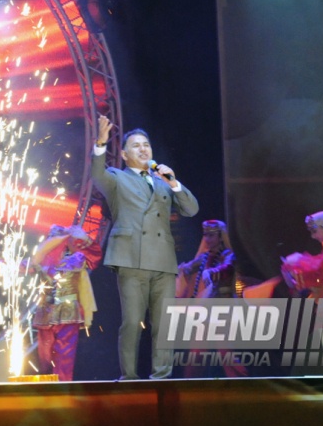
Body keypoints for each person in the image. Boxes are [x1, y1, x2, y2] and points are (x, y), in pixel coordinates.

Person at [92, 116, 199, 380]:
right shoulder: (117, 178)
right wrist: (101, 143)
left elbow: (191, 209)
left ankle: (161, 377)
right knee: (132, 322)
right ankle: (129, 377)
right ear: (126, 155)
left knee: (163, 325)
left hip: (163, 260)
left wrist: (173, 181)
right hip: (131, 258)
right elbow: (96, 175)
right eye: (136, 146)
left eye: (146, 145)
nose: (143, 149)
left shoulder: (163, 183)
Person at [29, 225, 102, 381]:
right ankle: (47, 388)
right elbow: (21, 266)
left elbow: (94, 257)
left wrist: (84, 238)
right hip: (46, 313)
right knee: (45, 358)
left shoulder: (76, 258)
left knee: (64, 358)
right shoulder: (40, 260)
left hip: (68, 312)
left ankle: (62, 389)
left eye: (57, 239)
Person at [175, 219, 247, 378]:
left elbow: (227, 269)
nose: (207, 239)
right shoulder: (205, 256)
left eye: (211, 235)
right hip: (207, 310)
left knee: (225, 351)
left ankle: (242, 385)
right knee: (197, 352)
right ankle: (190, 387)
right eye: (205, 235)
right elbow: (190, 266)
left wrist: (211, 272)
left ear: (221, 236)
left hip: (224, 308)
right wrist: (182, 269)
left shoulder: (228, 255)